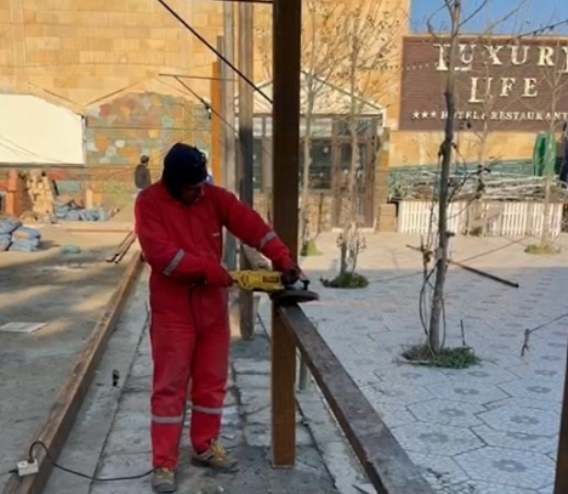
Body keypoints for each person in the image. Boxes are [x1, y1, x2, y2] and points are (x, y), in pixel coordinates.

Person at [134, 142, 301, 493]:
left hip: (211, 308)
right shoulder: (149, 203)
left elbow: (252, 225)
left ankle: (205, 445)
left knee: (212, 381)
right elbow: (159, 254)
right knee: (169, 387)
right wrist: (206, 269)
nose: (200, 193)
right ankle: (163, 463)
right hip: (173, 310)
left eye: (202, 185)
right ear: (173, 183)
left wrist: (282, 256)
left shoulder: (213, 197)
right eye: (192, 188)